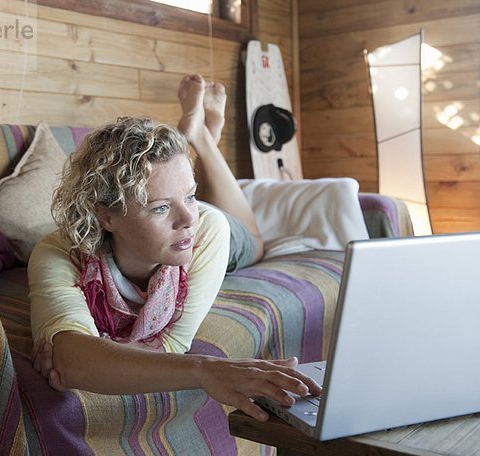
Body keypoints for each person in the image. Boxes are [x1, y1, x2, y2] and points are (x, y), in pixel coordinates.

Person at [29, 74, 321, 422]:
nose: (187, 219)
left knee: (254, 241)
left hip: (222, 233)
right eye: (160, 208)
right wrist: (202, 370)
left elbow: (169, 347)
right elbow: (73, 360)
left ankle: (200, 138)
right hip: (173, 239)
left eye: (190, 197)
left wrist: (96, 356)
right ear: (106, 216)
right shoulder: (58, 253)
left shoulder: (205, 229)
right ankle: (200, 139)